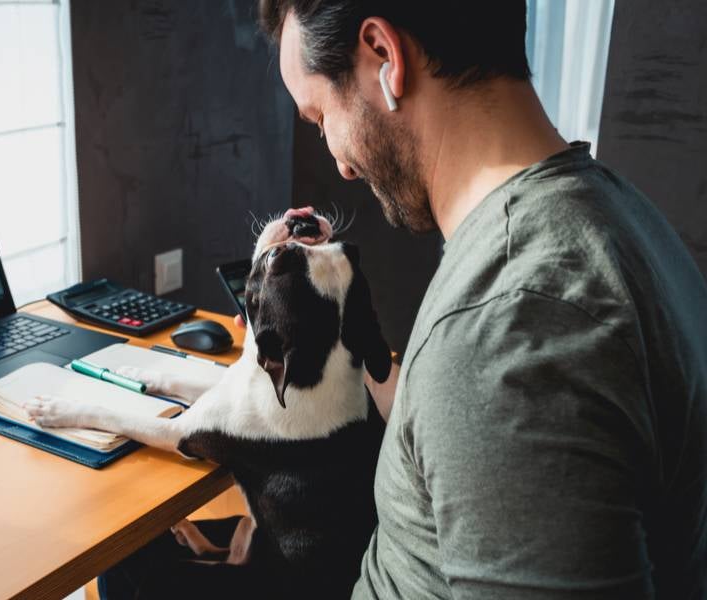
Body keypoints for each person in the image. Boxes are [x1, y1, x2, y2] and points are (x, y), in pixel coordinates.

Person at [256, 1, 707, 598]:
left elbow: (493, 380)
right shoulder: (611, 213)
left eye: (322, 117)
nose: (337, 162)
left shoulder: (511, 321)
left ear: (384, 57)